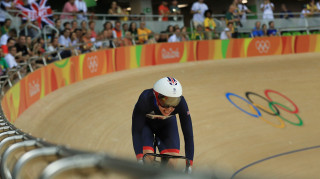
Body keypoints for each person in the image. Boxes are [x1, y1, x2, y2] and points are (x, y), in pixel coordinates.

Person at [132, 77, 194, 173]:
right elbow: (136, 131)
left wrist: (189, 164)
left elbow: (188, 135)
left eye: (174, 102)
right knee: (147, 160)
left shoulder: (181, 103)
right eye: (165, 102)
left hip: (167, 126)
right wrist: (140, 158)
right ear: (156, 96)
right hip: (146, 125)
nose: (169, 108)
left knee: (171, 165)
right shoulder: (145, 99)